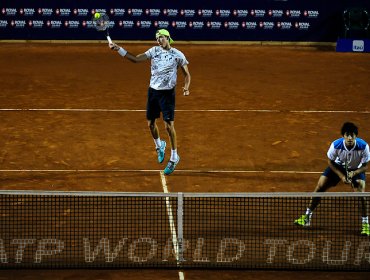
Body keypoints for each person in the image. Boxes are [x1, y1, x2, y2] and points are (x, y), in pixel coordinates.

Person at [108, 29, 191, 175]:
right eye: (157, 38)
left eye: (161, 38)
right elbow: (135, 59)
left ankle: (174, 157)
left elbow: (187, 74)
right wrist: (119, 49)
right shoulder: (154, 51)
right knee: (150, 124)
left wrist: (186, 87)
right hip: (153, 91)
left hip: (167, 94)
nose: (159, 40)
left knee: (168, 126)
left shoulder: (178, 55)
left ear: (168, 38)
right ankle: (159, 146)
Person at [294, 122, 370, 236]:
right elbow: (330, 162)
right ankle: (307, 217)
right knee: (320, 186)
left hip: (355, 169)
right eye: (347, 135)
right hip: (338, 167)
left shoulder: (364, 146)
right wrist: (341, 176)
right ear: (343, 136)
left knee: (361, 194)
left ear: (356, 136)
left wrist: (354, 173)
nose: (349, 138)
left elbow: (365, 166)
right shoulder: (336, 145)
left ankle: (365, 224)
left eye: (352, 135)